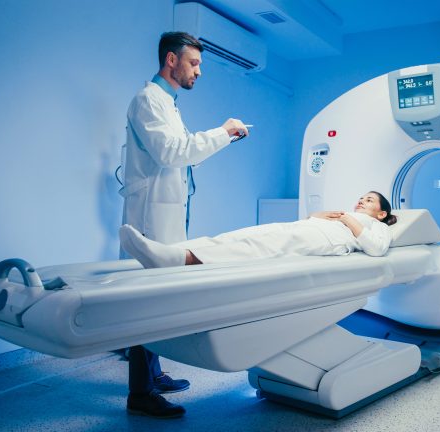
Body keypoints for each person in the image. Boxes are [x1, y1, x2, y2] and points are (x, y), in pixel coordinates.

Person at [119, 31, 250, 419]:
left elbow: (183, 151)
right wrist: (223, 131)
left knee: (160, 296)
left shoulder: (168, 104)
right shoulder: (148, 100)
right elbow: (171, 152)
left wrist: (223, 139)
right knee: (148, 302)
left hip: (167, 213)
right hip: (150, 217)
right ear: (171, 60)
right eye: (194, 63)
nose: (199, 71)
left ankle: (153, 375)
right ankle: (139, 393)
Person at [119, 192, 397, 269]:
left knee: (257, 246)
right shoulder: (346, 216)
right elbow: (314, 221)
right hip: (306, 228)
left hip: (323, 241)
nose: (361, 201)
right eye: (361, 198)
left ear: (382, 213)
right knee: (243, 235)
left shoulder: (377, 226)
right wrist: (317, 215)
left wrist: (349, 220)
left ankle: (182, 259)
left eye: (369, 200)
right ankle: (172, 251)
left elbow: (376, 249)